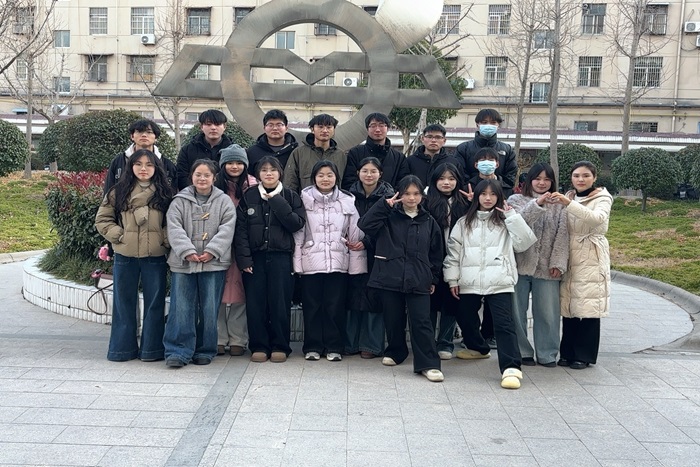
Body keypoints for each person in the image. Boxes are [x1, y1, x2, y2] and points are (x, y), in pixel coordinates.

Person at [443, 179, 536, 389]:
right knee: (464, 315)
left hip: (499, 280)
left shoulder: (506, 219)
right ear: (476, 197)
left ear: (499, 197)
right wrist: (452, 278)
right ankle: (478, 348)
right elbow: (453, 252)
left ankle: (511, 367)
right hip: (469, 279)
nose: (488, 198)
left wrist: (512, 216)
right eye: (483, 194)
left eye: (493, 194)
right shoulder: (464, 222)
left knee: (504, 324)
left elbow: (524, 243)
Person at [358, 175, 445, 382]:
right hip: (390, 275)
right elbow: (365, 225)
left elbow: (437, 253)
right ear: (399, 194)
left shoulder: (429, 221)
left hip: (419, 278)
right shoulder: (388, 217)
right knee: (393, 318)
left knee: (421, 321)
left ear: (422, 196)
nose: (411, 198)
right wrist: (383, 205)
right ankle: (396, 351)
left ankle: (429, 364)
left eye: (416, 194)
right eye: (407, 193)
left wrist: (433, 279)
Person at [95, 149, 173, 362]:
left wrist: (164, 239)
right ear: (131, 167)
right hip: (125, 255)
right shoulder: (118, 191)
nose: (143, 169)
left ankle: (152, 350)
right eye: (138, 164)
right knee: (123, 303)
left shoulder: (165, 192)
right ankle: (122, 349)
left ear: (156, 168)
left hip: (155, 255)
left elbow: (174, 222)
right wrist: (119, 235)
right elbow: (102, 219)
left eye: (149, 164)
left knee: (155, 303)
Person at [163, 159, 236, 367]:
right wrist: (187, 251)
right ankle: (178, 351)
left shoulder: (224, 201)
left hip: (214, 263)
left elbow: (227, 228)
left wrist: (212, 250)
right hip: (183, 263)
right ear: (191, 176)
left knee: (209, 308)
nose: (202, 179)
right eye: (198, 174)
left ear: (214, 178)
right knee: (181, 306)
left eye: (206, 175)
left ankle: (205, 349)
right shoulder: (179, 201)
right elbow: (174, 227)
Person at [235, 156, 306, 363]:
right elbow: (240, 231)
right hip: (255, 258)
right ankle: (259, 345)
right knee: (255, 304)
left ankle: (280, 345)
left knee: (280, 303)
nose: (268, 173)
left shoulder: (290, 195)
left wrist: (275, 200)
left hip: (281, 257)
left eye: (273, 170)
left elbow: (297, 223)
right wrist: (244, 260)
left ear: (280, 173)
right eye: (264, 170)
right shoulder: (249, 196)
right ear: (258, 174)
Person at [294, 160, 366, 362]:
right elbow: (298, 233)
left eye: (329, 175)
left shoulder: (347, 200)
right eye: (321, 175)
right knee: (312, 307)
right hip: (310, 261)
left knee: (335, 306)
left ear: (336, 178)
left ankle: (334, 346)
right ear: (313, 178)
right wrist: (297, 263)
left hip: (338, 261)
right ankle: (312, 346)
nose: (325, 179)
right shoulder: (303, 200)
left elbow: (355, 232)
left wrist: (356, 263)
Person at [549, 161, 613, 370]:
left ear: (594, 178)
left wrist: (569, 204)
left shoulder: (602, 197)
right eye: (576, 175)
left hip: (590, 252)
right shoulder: (569, 196)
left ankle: (584, 355)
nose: (581, 179)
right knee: (569, 303)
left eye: (586, 175)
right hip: (569, 252)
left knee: (588, 304)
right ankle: (567, 352)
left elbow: (597, 219)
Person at [507, 163, 569, 367]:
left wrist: (558, 262)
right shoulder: (515, 200)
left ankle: (547, 353)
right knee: (517, 312)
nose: (542, 183)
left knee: (548, 313)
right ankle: (521, 351)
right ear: (529, 180)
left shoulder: (560, 204)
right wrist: (538, 203)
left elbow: (563, 234)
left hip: (547, 266)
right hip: (520, 264)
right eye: (538, 178)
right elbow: (517, 224)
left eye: (547, 179)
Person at [345, 157, 394, 359]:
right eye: (365, 170)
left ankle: (371, 345)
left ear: (380, 174)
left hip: (378, 252)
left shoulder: (389, 197)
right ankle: (350, 343)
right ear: (358, 172)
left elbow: (389, 226)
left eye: (373, 171)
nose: (369, 175)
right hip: (350, 250)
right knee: (352, 295)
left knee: (374, 296)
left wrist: (366, 242)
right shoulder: (348, 195)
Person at [214, 145, 258, 357]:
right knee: (219, 290)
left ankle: (238, 338)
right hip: (218, 244)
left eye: (239, 163)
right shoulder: (214, 185)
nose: (234, 166)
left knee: (241, 291)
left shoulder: (253, 186)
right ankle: (219, 337)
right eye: (230, 163)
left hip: (244, 246)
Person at [423, 163, 470, 360]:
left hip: (457, 259)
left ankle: (445, 342)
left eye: (451, 179)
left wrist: (474, 203)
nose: (446, 183)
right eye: (442, 179)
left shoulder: (465, 203)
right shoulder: (426, 202)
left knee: (452, 301)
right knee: (430, 302)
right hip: (431, 259)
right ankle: (428, 342)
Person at [103, 119, 177, 195]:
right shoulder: (119, 161)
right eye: (139, 131)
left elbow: (173, 192)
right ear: (132, 136)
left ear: (156, 137)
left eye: (149, 132)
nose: (144, 135)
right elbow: (109, 191)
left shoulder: (167, 165)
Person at [455, 108, 517, 197]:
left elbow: (511, 176)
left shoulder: (507, 149)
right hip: (470, 195)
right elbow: (460, 174)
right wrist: (472, 189)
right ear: (477, 124)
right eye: (484, 122)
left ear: (498, 125)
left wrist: (497, 188)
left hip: (499, 196)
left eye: (493, 122)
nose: (488, 125)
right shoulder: (463, 148)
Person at [341, 113, 409, 189]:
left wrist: (390, 195)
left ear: (388, 128)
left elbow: (403, 183)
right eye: (373, 126)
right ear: (367, 129)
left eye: (381, 125)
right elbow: (349, 181)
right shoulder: (355, 153)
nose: (377, 129)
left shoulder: (399, 157)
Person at [285, 114, 346, 193]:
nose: (325, 130)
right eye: (320, 127)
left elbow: (346, 183)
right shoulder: (299, 153)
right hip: (305, 200)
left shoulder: (341, 155)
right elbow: (290, 182)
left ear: (334, 129)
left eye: (329, 127)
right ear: (312, 129)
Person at [176, 109, 232, 190]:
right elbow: (181, 176)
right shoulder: (187, 150)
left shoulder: (232, 150)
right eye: (208, 124)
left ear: (224, 127)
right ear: (201, 127)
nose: (213, 128)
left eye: (217, 124)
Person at [246, 109, 298, 174]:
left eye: (279, 125)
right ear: (264, 128)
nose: (275, 128)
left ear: (286, 128)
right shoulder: (252, 152)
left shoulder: (296, 151)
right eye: (270, 125)